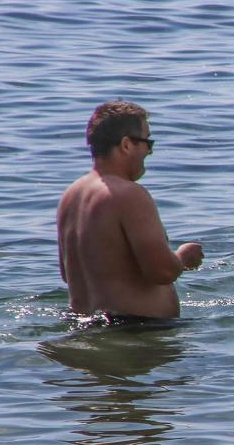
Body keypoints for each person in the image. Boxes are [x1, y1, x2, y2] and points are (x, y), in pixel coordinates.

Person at [57, 100, 203, 320]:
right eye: (147, 142)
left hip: (87, 326)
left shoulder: (70, 196)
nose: (149, 152)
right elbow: (162, 271)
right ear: (126, 144)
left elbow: (68, 275)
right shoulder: (128, 194)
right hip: (135, 332)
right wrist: (183, 257)